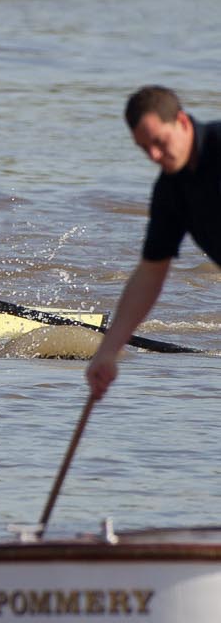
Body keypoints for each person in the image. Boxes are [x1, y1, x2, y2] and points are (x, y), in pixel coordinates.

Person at [86, 86, 220, 403]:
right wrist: (107, 352)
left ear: (183, 123)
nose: (155, 156)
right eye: (144, 148)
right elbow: (150, 273)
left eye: (159, 142)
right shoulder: (170, 192)